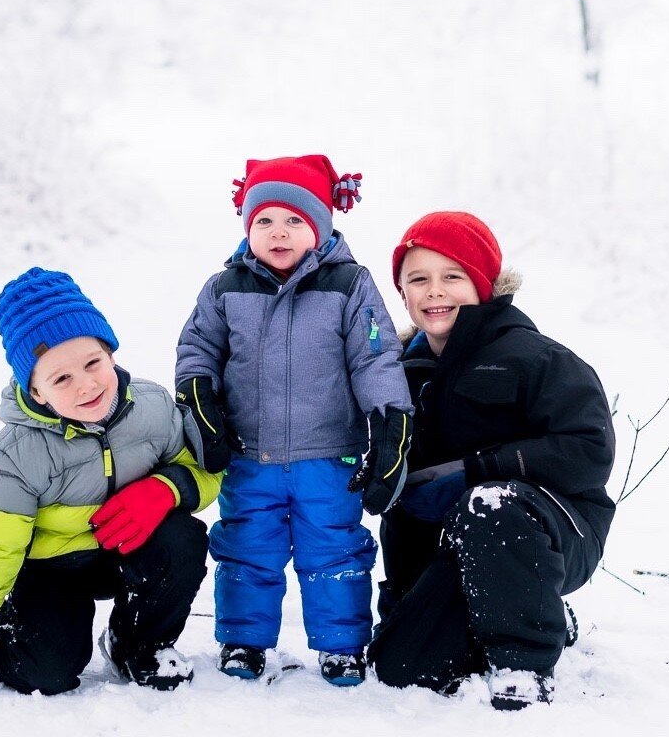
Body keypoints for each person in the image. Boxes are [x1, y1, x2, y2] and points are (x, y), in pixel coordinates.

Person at [0, 267, 221, 695]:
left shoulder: (152, 407)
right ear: (36, 392)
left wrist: (166, 488)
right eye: (61, 379)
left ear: (110, 354)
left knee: (181, 539)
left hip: (123, 550)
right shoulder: (17, 453)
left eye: (93, 363)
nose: (87, 385)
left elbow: (205, 469)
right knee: (48, 672)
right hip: (50, 569)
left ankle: (139, 647)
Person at [175, 155, 414, 687]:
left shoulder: (350, 285)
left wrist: (390, 425)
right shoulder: (223, 289)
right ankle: (242, 640)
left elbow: (374, 359)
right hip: (248, 454)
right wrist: (202, 408)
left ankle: (343, 646)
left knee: (334, 550)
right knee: (246, 548)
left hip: (330, 456)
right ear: (247, 227)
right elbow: (197, 354)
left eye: (293, 221)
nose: (278, 232)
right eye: (265, 220)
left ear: (320, 226)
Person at [368, 211, 615, 710]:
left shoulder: (536, 358)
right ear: (403, 294)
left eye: (452, 276)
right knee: (401, 669)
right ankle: (515, 613)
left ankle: (523, 662)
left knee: (488, 502)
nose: (434, 291)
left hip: (554, 530)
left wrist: (480, 469)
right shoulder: (396, 375)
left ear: (484, 284)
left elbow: (588, 450)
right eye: (418, 279)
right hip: (452, 546)